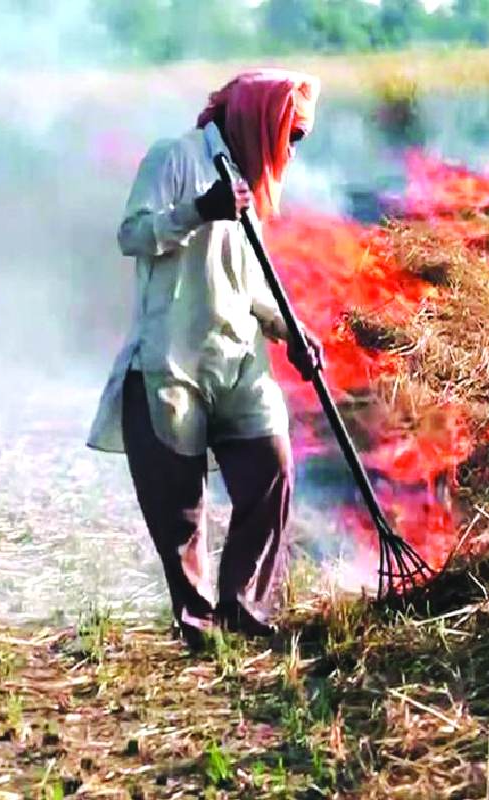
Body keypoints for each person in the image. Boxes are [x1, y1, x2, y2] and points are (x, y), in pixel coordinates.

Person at [87, 70, 324, 648]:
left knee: (272, 472)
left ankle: (243, 606)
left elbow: (251, 281)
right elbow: (131, 234)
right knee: (180, 507)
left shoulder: (251, 182)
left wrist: (291, 330)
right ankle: (196, 620)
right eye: (289, 135)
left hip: (238, 355)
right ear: (257, 121)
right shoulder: (175, 159)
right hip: (173, 356)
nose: (290, 150)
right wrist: (199, 210)